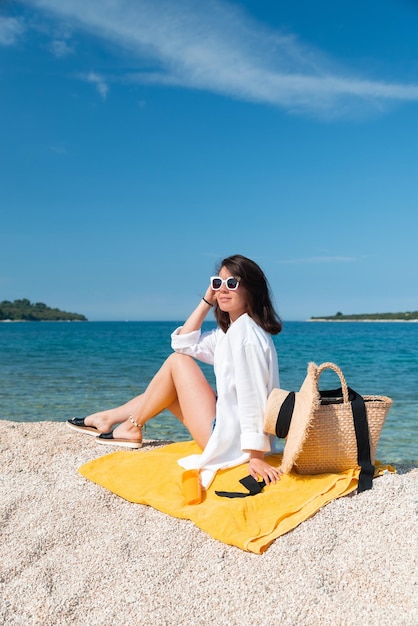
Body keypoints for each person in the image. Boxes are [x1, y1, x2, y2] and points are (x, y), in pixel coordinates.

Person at [67, 254, 282, 488]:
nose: (223, 290)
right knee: (172, 374)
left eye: (232, 283)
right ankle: (108, 418)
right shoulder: (231, 332)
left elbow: (254, 397)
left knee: (177, 363)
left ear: (252, 289)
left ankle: (129, 426)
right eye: (217, 283)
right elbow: (183, 344)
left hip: (232, 442)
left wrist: (256, 457)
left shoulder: (245, 335)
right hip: (228, 429)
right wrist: (207, 300)